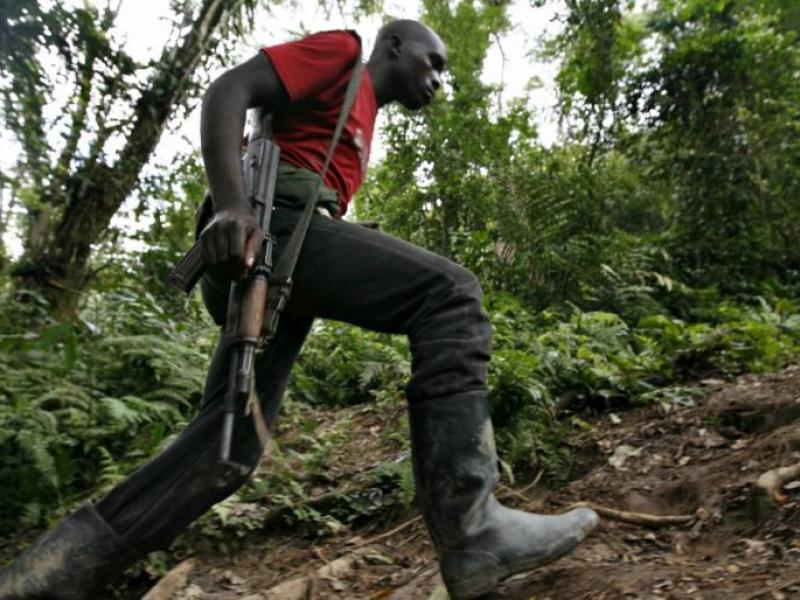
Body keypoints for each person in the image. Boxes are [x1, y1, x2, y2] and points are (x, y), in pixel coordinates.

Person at [0, 19, 598, 600]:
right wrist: (233, 208)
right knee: (451, 297)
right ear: (393, 46)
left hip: (281, 252)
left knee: (226, 452)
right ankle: (474, 529)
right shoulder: (341, 53)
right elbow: (227, 90)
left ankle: (44, 580)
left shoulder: (359, 119)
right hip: (263, 233)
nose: (439, 78)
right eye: (433, 61)